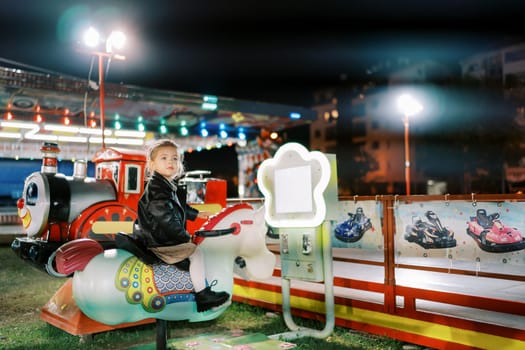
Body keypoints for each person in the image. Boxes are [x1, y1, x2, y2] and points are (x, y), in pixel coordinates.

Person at [133, 139, 229, 312]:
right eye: (164, 158)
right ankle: (202, 295)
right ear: (152, 164)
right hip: (161, 243)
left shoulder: (165, 185)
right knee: (196, 252)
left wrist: (196, 214)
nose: (170, 162)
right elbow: (166, 219)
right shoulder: (157, 190)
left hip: (162, 238)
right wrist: (185, 238)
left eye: (175, 158)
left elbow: (177, 207)